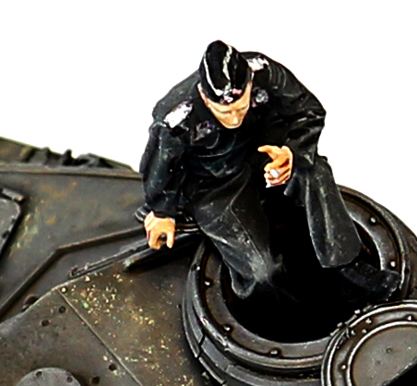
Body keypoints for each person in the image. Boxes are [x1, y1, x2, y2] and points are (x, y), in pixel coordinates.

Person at [139, 41, 363, 303]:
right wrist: (163, 211)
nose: (234, 119)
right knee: (261, 272)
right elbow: (159, 166)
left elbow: (308, 110)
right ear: (204, 97)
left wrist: (292, 152)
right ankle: (286, 310)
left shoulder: (263, 72)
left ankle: (346, 268)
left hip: (263, 148)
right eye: (224, 112)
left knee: (316, 173)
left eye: (240, 108)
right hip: (215, 183)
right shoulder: (176, 117)